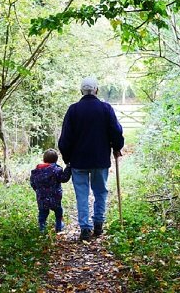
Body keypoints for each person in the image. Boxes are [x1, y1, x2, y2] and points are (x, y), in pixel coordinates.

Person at [58, 76, 124, 241]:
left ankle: (85, 229)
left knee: (82, 194)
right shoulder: (105, 108)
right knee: (100, 191)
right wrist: (117, 147)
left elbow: (65, 139)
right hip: (100, 160)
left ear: (81, 91)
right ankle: (98, 224)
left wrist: (68, 159)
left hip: (78, 161)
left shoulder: (73, 110)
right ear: (96, 90)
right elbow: (116, 131)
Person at [30, 148, 71, 232]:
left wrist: (38, 191)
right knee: (58, 211)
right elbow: (64, 179)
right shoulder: (56, 170)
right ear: (56, 160)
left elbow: (33, 183)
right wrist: (68, 168)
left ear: (44, 159)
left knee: (43, 212)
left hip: (41, 197)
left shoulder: (36, 171)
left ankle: (42, 228)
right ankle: (59, 226)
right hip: (55, 197)